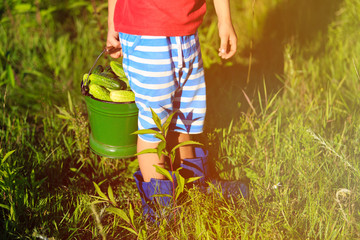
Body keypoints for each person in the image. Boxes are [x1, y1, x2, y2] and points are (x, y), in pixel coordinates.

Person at [106, 0, 245, 221]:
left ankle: (192, 185)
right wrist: (113, 23)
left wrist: (225, 20)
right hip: (146, 34)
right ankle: (161, 207)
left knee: (185, 116)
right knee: (154, 125)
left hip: (187, 33)